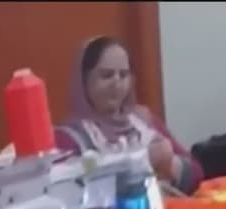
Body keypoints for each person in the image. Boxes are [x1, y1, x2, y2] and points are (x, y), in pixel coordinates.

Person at [55, 36, 203, 195]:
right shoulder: (69, 137)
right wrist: (142, 162)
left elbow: (196, 171)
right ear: (84, 80)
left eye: (123, 75)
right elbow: (69, 193)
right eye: (106, 75)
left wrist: (171, 165)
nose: (116, 83)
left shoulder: (142, 120)